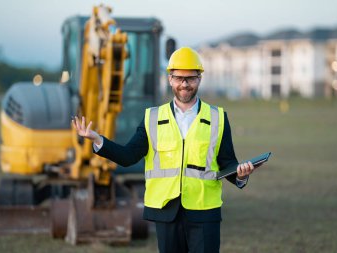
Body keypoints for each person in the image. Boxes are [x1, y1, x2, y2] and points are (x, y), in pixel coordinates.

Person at [73, 47, 261, 253]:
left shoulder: (218, 118)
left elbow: (227, 163)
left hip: (205, 212)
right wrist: (98, 140)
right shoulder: (152, 118)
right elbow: (128, 157)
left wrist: (240, 175)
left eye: (190, 78)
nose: (185, 84)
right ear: (170, 79)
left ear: (199, 79)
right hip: (165, 212)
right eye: (179, 78)